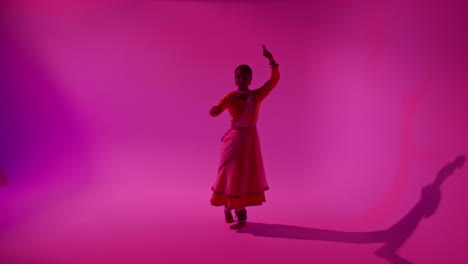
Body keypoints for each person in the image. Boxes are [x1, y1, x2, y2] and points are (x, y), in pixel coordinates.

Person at [209, 45, 280, 230]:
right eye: (239, 76)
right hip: (234, 140)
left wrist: (272, 61)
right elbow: (218, 108)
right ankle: (227, 206)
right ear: (235, 79)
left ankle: (240, 215)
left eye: (245, 76)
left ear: (250, 79)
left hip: (249, 139)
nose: (242, 79)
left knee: (242, 174)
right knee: (228, 172)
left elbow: (272, 82)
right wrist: (215, 110)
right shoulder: (230, 97)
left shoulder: (257, 96)